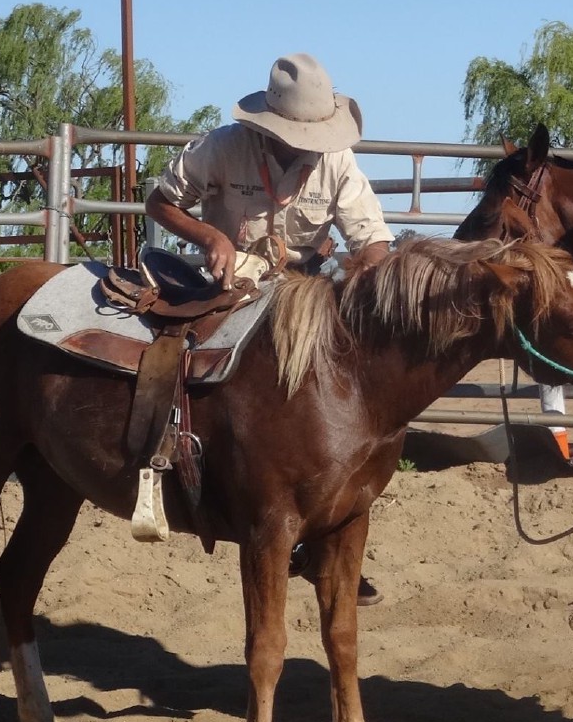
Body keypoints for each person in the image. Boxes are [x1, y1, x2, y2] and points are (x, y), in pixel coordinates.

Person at [146, 52, 394, 603]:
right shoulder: (221, 147)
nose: (308, 141)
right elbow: (160, 202)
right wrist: (211, 237)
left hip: (302, 294)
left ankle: (323, 527)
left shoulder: (337, 163)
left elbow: (372, 241)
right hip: (226, 287)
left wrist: (362, 275)